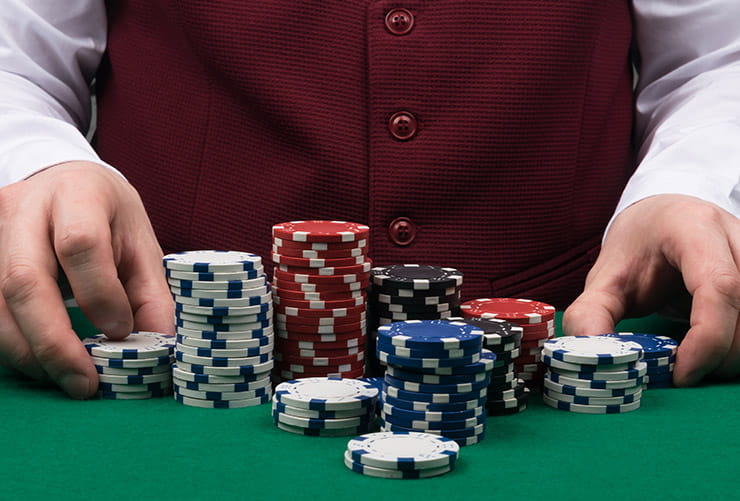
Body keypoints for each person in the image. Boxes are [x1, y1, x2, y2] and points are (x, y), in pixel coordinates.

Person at [1, 1, 739, 399]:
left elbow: (718, 57)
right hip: (175, 358)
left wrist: (693, 181)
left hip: (558, 348)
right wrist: (34, 163)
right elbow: (16, 55)